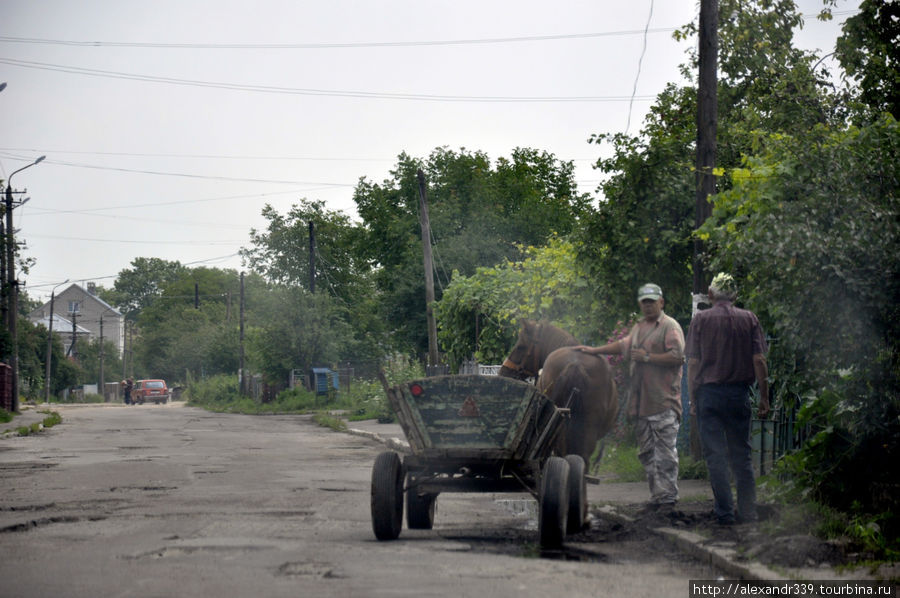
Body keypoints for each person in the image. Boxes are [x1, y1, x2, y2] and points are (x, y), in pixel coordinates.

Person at [574, 283, 685, 511]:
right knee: (647, 454)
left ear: (661, 302)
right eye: (644, 302)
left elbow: (677, 356)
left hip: (663, 402)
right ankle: (658, 498)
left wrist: (647, 357)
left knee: (665, 455)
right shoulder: (640, 327)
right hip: (641, 405)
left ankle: (668, 501)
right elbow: (623, 345)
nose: (648, 306)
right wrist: (595, 351)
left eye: (652, 302)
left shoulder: (669, 326)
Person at [686, 273, 770, 525]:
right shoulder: (749, 319)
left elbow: (692, 363)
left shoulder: (700, 320)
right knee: (742, 456)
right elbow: (759, 360)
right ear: (735, 296)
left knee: (715, 456)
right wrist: (764, 397)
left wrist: (692, 398)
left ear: (710, 295)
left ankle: (724, 514)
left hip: (708, 396)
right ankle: (748, 513)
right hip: (738, 394)